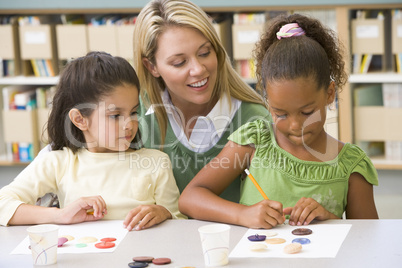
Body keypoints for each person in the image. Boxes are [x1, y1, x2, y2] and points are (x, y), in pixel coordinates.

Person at [179, 14, 379, 229]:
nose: (294, 125)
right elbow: (190, 198)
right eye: (281, 114)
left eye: (306, 112)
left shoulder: (351, 166)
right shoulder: (254, 141)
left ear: (330, 94)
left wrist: (331, 220)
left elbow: (368, 239)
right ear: (267, 100)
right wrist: (242, 214)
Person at [0, 51, 186, 230]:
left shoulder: (156, 162)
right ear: (80, 120)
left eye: (133, 112)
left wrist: (164, 213)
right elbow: (3, 204)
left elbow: (180, 222)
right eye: (115, 116)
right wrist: (60, 215)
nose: (129, 124)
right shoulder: (60, 162)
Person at [133, 0, 270, 202]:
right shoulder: (133, 114)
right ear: (152, 66)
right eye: (179, 62)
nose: (198, 69)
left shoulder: (255, 120)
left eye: (205, 53)